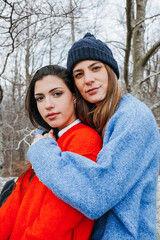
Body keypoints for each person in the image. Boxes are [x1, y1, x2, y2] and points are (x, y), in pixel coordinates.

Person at [27, 33, 160, 240]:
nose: (88, 80)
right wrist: (43, 134)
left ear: (110, 71)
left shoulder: (134, 118)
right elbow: (56, 121)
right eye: (78, 74)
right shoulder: (96, 115)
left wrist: (41, 151)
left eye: (95, 68)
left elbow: (98, 194)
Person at [0, 64, 102, 240]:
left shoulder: (84, 140)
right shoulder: (48, 141)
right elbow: (15, 201)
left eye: (57, 94)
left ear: (75, 96)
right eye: (40, 98)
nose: (48, 105)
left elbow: (54, 222)